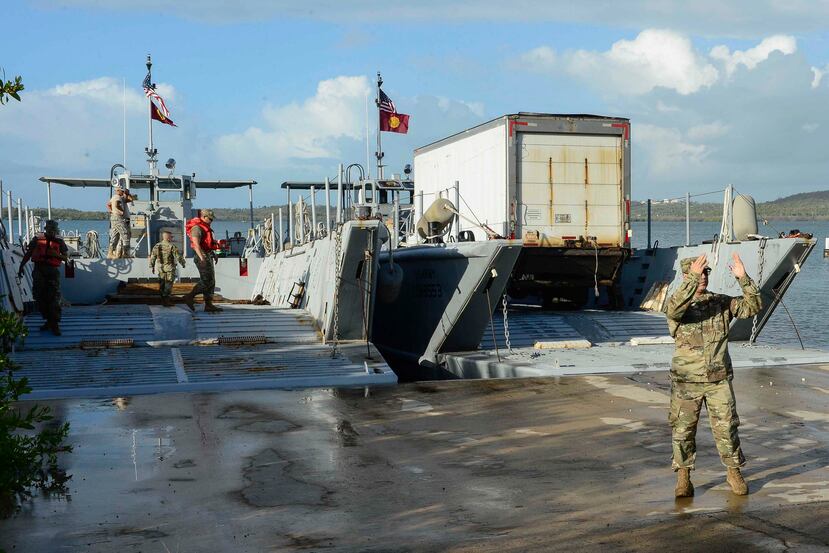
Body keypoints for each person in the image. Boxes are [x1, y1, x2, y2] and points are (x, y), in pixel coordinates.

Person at [666, 252, 762, 498]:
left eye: (705, 273)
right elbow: (675, 310)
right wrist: (692, 279)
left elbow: (753, 306)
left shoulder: (720, 302)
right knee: (683, 431)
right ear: (687, 276)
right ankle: (684, 477)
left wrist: (743, 278)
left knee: (727, 428)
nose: (703, 278)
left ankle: (733, 472)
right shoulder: (676, 303)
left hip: (718, 380)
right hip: (687, 381)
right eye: (698, 274)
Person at [17, 220, 69, 335]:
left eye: (53, 230)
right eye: (49, 229)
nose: (51, 232)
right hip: (39, 270)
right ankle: (48, 320)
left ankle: (54, 323)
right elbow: (28, 254)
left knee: (54, 297)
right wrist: (21, 267)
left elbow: (66, 258)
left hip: (52, 272)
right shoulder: (37, 240)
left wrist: (55, 255)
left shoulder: (59, 242)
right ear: (45, 229)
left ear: (56, 231)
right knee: (39, 297)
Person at [183, 209, 222, 313]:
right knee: (206, 281)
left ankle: (208, 304)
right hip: (201, 256)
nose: (211, 221)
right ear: (204, 217)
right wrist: (202, 258)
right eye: (210, 219)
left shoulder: (205, 227)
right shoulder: (196, 228)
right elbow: (196, 245)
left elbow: (207, 244)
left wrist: (213, 254)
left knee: (211, 281)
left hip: (207, 254)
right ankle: (189, 296)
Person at [149, 230, 186, 307]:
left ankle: (163, 300)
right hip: (169, 268)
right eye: (171, 237)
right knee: (168, 284)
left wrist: (152, 266)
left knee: (162, 284)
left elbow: (153, 257)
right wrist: (183, 263)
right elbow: (178, 257)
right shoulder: (172, 246)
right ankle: (166, 301)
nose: (172, 238)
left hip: (160, 268)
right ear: (168, 238)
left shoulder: (156, 246)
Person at [107, 187, 133, 259]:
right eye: (122, 191)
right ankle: (126, 253)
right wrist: (121, 211)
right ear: (118, 191)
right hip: (118, 218)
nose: (123, 192)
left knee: (115, 235)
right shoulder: (117, 197)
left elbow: (108, 204)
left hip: (115, 218)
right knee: (125, 234)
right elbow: (117, 204)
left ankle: (110, 253)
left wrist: (111, 211)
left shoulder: (118, 197)